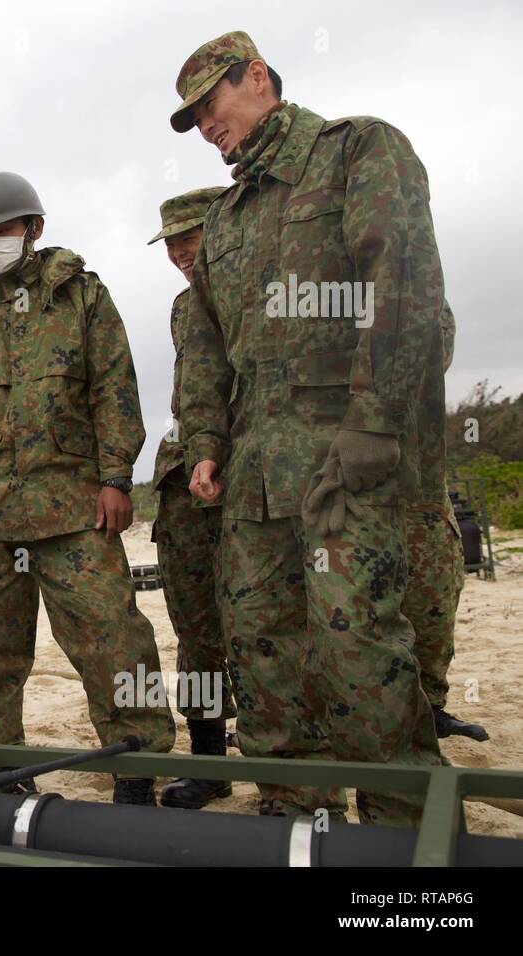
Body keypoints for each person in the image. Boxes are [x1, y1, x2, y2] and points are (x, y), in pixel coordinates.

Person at [172, 31, 445, 825]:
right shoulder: (222, 220)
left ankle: (406, 848)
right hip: (254, 483)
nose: (206, 127)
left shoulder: (358, 151)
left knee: (359, 654)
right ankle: (295, 828)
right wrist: (207, 448)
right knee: (263, 659)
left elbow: (406, 283)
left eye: (209, 105)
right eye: (191, 120)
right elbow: (211, 350)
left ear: (256, 77)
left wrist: (376, 423)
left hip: (343, 469)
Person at [0, 171, 175, 805]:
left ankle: (136, 765)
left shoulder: (81, 297)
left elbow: (115, 388)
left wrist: (117, 476)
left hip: (75, 509)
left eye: (2, 230)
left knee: (113, 641)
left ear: (33, 229)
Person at [145, 187, 237, 809]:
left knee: (266, 631)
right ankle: (210, 761)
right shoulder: (183, 308)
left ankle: (285, 761)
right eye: (172, 242)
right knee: (196, 632)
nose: (181, 252)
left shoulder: (263, 293)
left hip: (246, 480)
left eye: (192, 237)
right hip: (185, 492)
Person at [406, 303, 488, 741]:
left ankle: (429, 708)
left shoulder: (418, 293)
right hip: (336, 477)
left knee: (434, 597)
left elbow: (436, 344)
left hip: (419, 485)